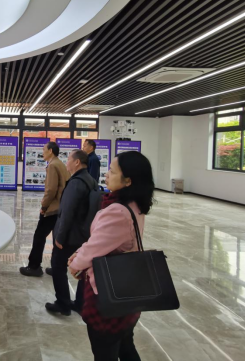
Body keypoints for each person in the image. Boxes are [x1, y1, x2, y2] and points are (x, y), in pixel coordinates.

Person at [68, 151, 155, 361]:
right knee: (125, 346)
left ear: (128, 181)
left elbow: (95, 247)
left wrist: (75, 263)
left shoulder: (117, 211)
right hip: (128, 293)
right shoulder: (134, 204)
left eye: (112, 172)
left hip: (109, 296)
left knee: (105, 351)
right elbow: (105, 241)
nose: (106, 175)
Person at [46, 149, 98, 316]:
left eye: (68, 159)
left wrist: (60, 237)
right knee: (82, 269)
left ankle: (63, 304)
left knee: (57, 265)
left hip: (70, 235)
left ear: (77, 162)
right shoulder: (90, 180)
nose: (66, 162)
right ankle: (80, 303)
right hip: (84, 233)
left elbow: (67, 212)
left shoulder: (76, 183)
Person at [20, 141, 70, 277]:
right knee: (56, 238)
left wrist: (44, 206)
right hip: (60, 206)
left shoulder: (53, 165)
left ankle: (34, 266)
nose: (42, 152)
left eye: (44, 150)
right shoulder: (60, 164)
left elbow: (51, 190)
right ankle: (57, 267)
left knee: (39, 236)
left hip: (52, 208)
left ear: (50, 151)